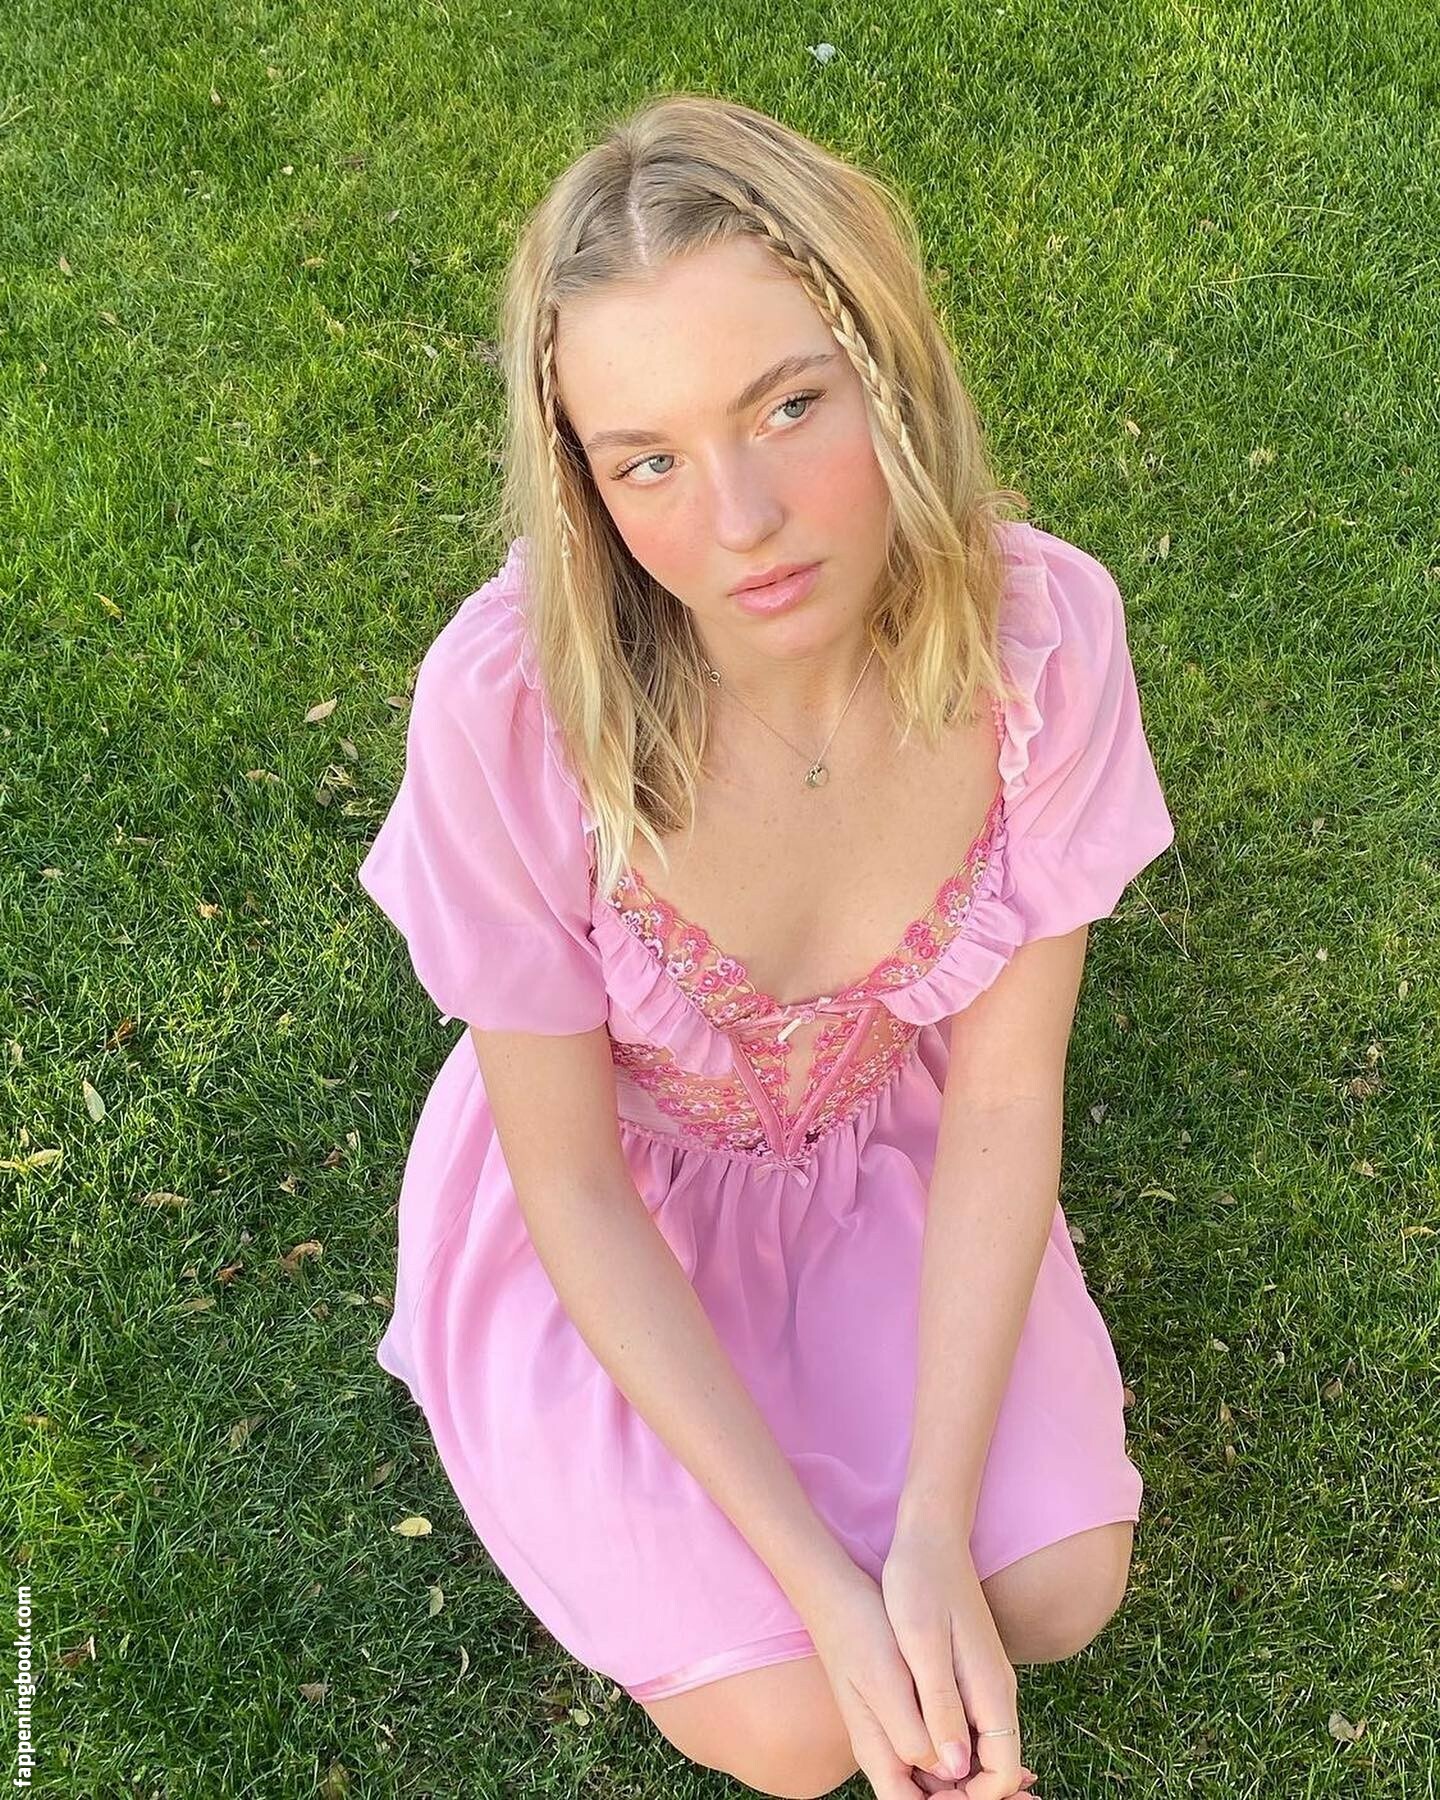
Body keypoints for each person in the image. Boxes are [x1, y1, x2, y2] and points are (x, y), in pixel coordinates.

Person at [357, 92, 1176, 1800]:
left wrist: (930, 1532)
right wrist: (826, 1587)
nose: (740, 520)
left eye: (788, 405)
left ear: (891, 368)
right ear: (583, 484)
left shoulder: (1046, 644)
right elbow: (571, 1183)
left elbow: (1002, 1097)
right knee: (803, 1734)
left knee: (1056, 1588)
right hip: (614, 1212)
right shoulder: (510, 713)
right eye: (646, 460)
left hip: (889, 1150)